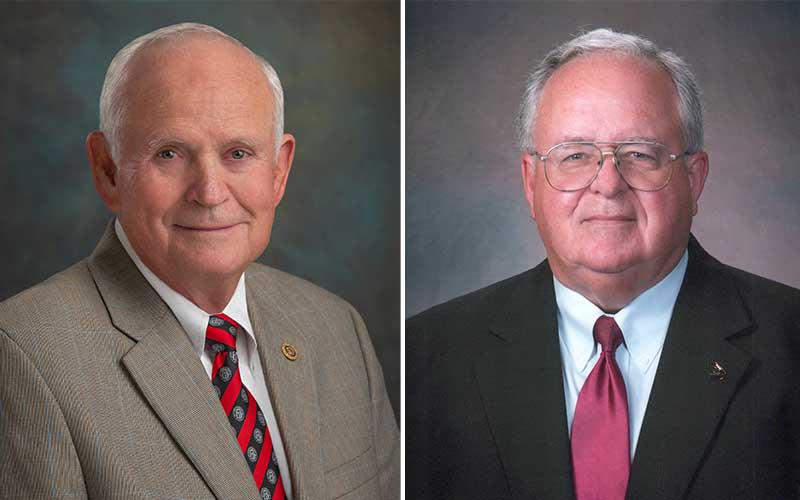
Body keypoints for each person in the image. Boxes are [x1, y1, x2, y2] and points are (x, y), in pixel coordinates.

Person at [0, 23, 398, 500]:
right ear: (107, 170)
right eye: (168, 153)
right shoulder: (26, 356)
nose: (209, 193)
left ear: (279, 171)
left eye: (238, 153)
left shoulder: (337, 329)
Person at [406, 28, 800, 500]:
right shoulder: (424, 359)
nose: (608, 184)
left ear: (693, 180)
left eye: (639, 154)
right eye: (575, 155)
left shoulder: (789, 344)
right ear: (531, 184)